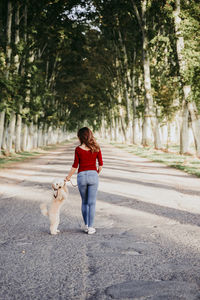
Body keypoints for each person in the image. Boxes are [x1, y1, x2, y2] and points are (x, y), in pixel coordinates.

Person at [65, 127, 103, 235]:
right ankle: (91, 228)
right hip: (93, 175)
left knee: (84, 202)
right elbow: (100, 165)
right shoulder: (96, 147)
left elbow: (75, 165)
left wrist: (68, 177)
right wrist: (95, 174)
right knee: (92, 203)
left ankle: (86, 225)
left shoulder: (78, 149)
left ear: (80, 137)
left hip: (81, 176)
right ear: (90, 135)